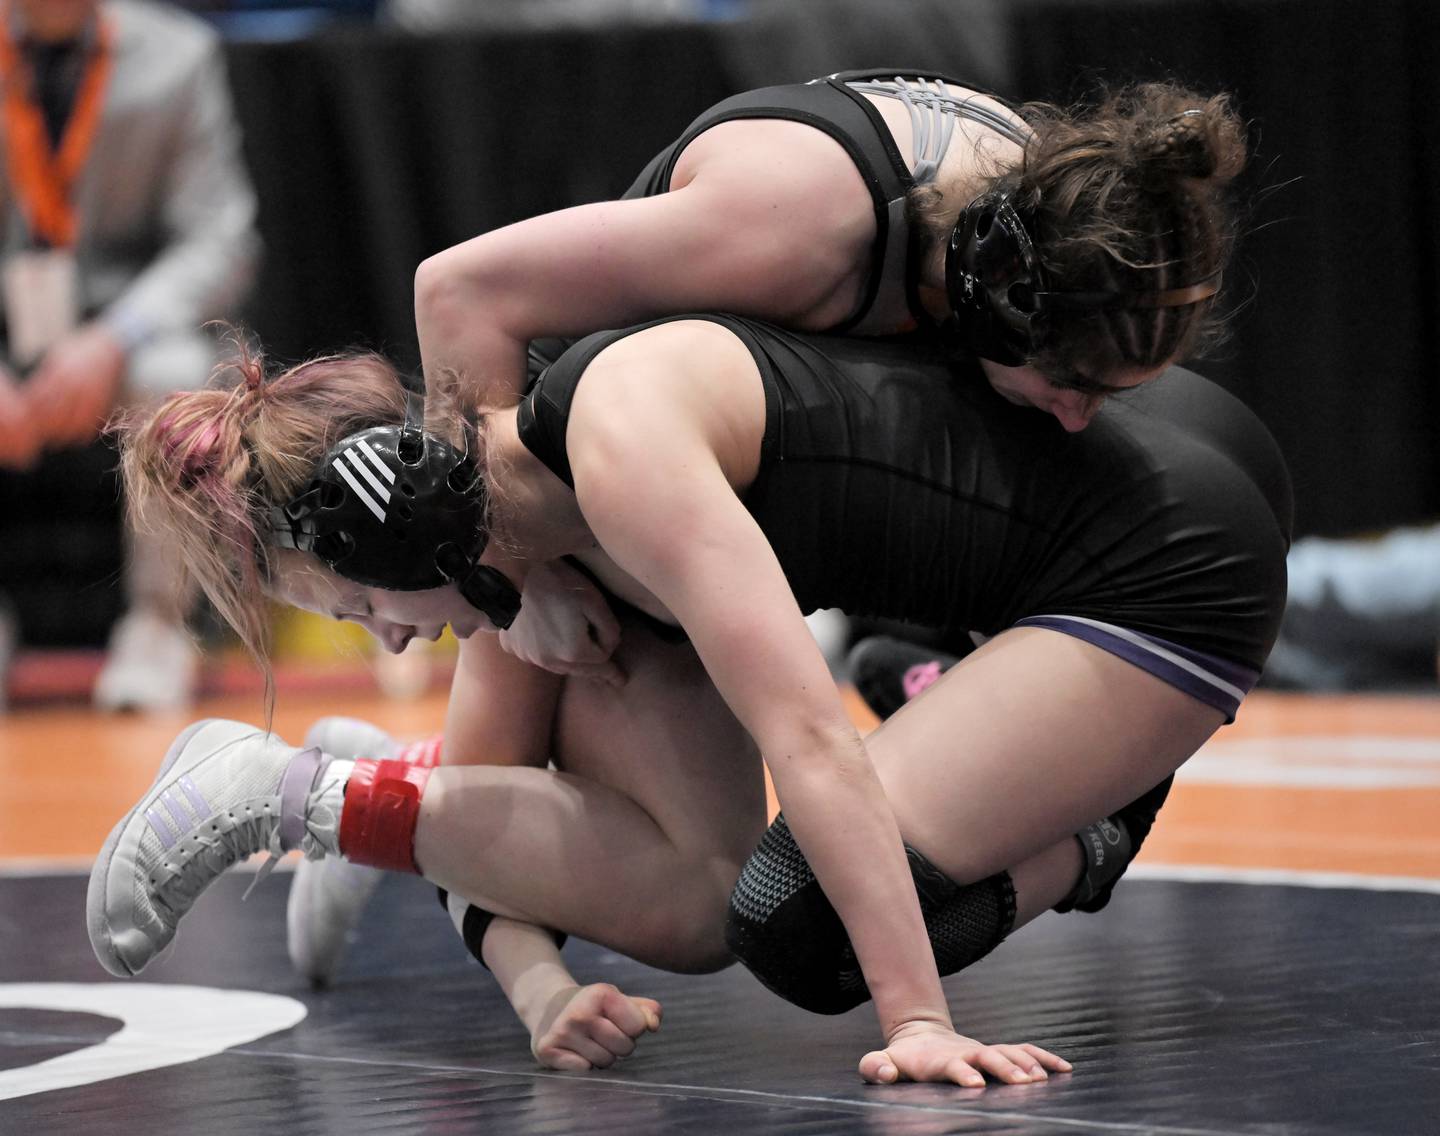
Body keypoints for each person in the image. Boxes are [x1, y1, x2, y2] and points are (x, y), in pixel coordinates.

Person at [88, 274, 1290, 1082]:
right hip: (1069, 493)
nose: (391, 641)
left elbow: (811, 741)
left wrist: (918, 1019)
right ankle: (341, 788)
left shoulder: (615, 453)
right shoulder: (516, 551)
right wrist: (541, 987)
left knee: (811, 929)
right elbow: (491, 809)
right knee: (704, 904)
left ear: (396, 538)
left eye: (361, 610)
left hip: (1163, 547)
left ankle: (1102, 817)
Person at [0, 0, 259, 710]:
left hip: (123, 334)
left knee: (177, 376)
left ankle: (158, 627)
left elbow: (221, 238)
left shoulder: (180, 57)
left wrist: (116, 335)